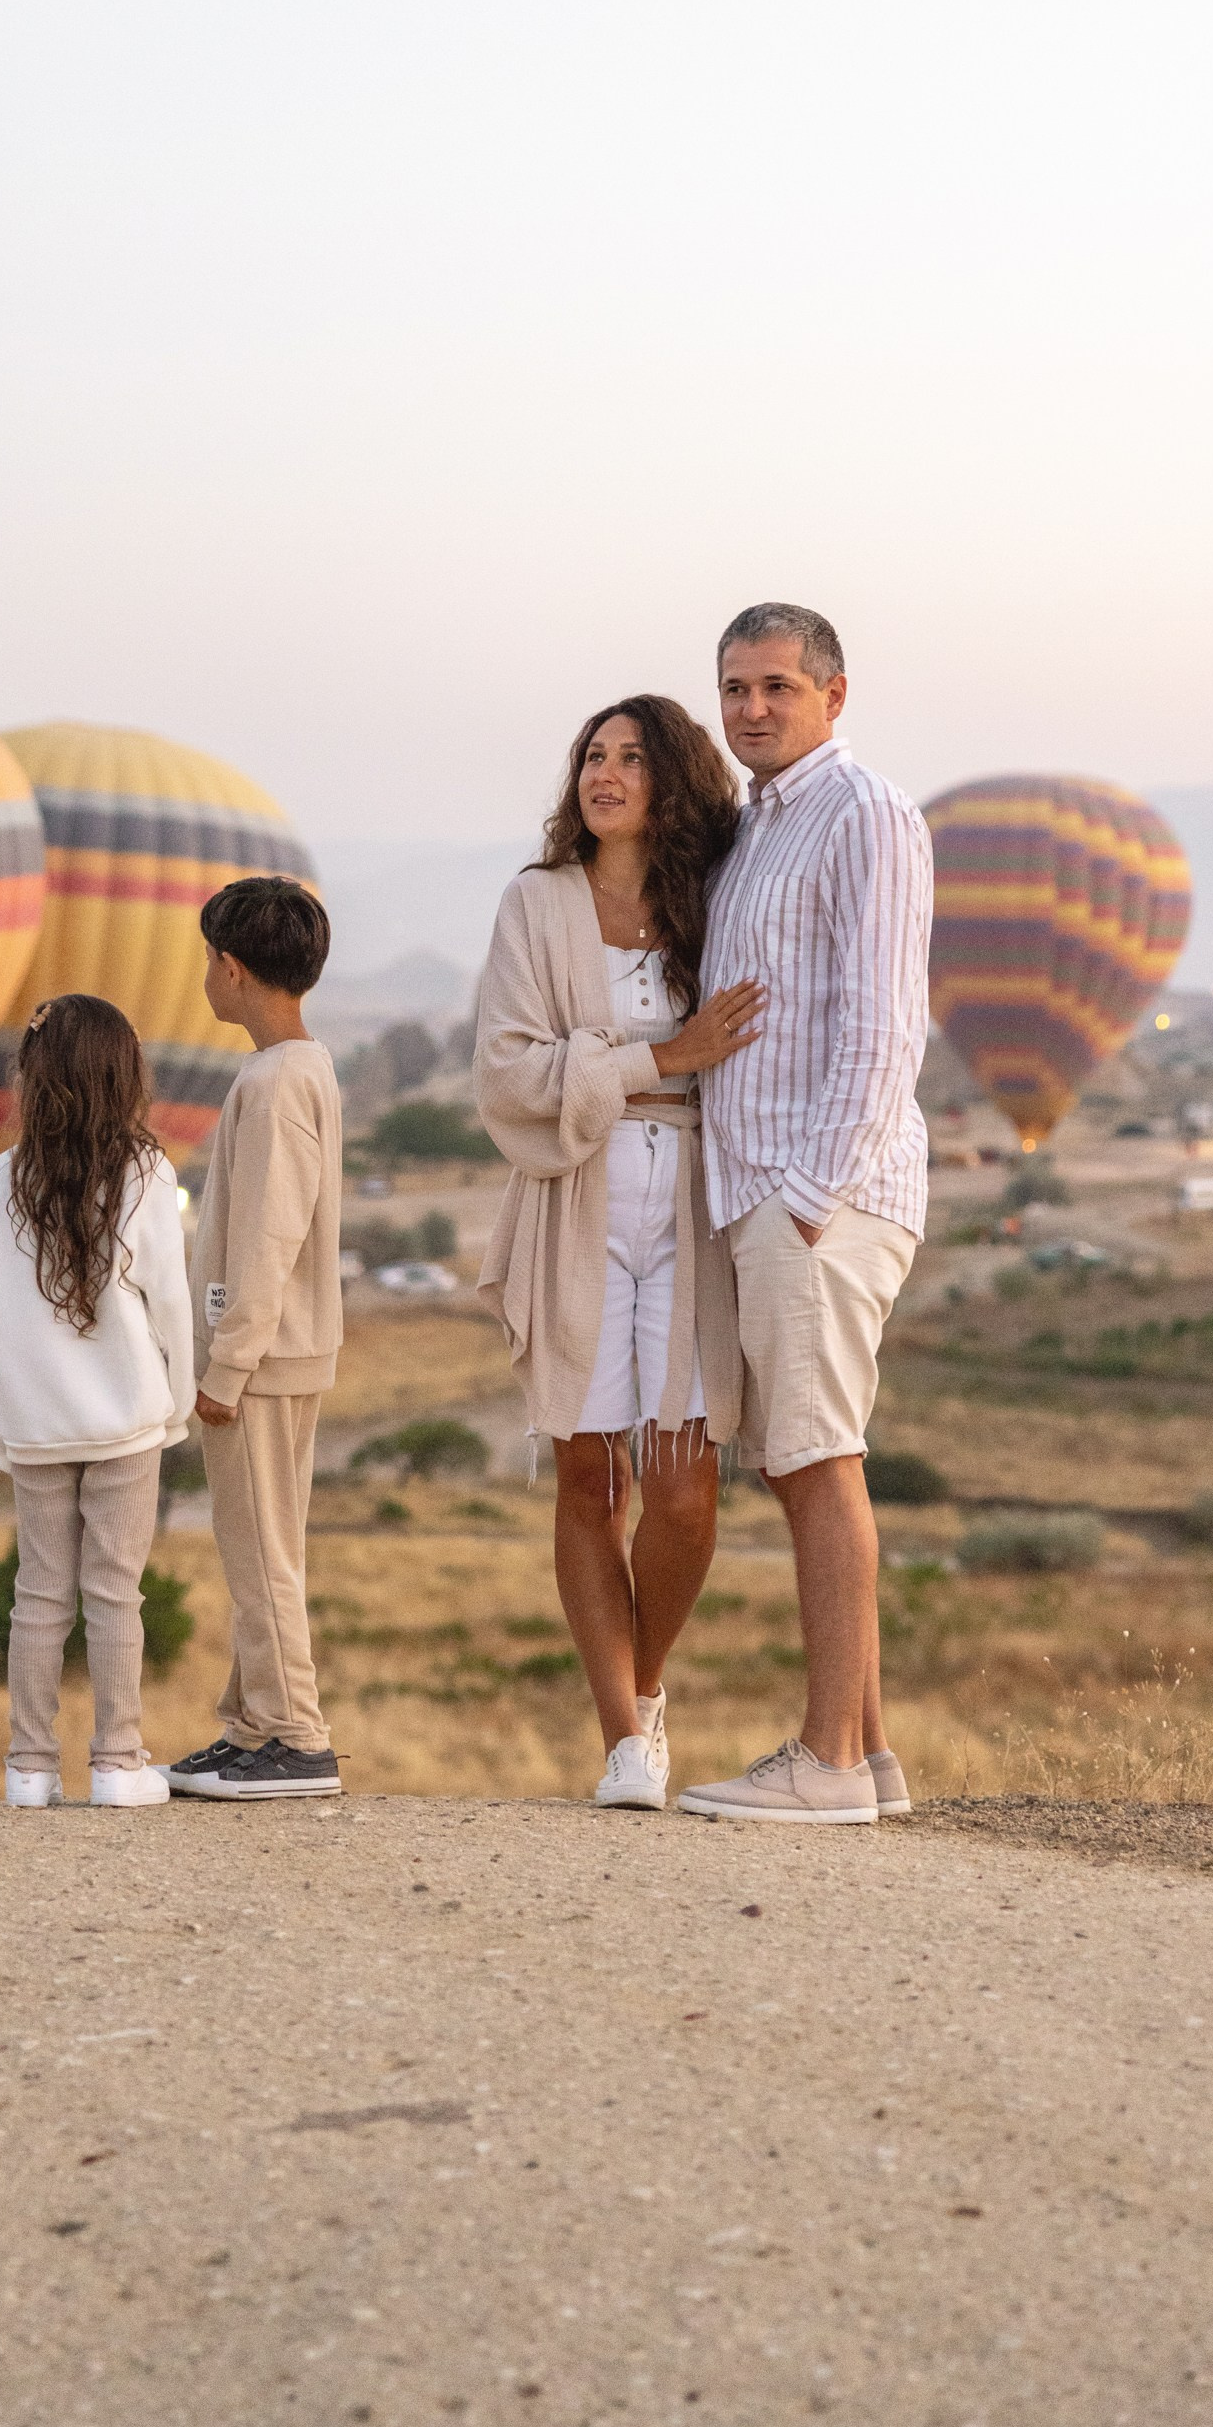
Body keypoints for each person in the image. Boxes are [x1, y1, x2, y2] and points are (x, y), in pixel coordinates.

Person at [475, 696, 762, 1807]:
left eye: (631, 759)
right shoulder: (535, 902)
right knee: (591, 1478)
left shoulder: (715, 901)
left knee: (684, 1490)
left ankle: (645, 1688)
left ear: (673, 781)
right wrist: (662, 1056)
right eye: (592, 756)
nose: (603, 773)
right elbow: (508, 1072)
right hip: (574, 1209)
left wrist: (617, 1059)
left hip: (690, 1207)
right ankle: (624, 1746)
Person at [676, 604, 932, 1827]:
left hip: (814, 1195)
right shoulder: (752, 832)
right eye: (734, 688)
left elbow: (883, 1021)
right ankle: (867, 1756)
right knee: (797, 1466)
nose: (751, 708)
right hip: (760, 1195)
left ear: (833, 694)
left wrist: (812, 1197)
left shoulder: (863, 813)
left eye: (777, 685)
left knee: (819, 1463)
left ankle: (823, 1761)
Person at [0, 992, 195, 1810]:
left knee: (38, 1596)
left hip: (34, 1422)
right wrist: (178, 1402)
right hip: (126, 1419)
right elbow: (170, 1302)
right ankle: (117, 1764)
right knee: (114, 1593)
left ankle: (28, 1769)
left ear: (33, 1076)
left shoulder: (2, 1176)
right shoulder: (146, 1173)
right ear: (121, 1075)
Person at [168, 874, 346, 1802]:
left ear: (231, 969)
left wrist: (226, 1364)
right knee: (263, 1546)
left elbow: (270, 1236)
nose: (206, 976)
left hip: (262, 1363)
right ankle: (250, 1729)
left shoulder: (273, 1084)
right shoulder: (305, 1066)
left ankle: (296, 1739)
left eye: (208, 959)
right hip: (285, 1354)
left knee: (259, 1554)